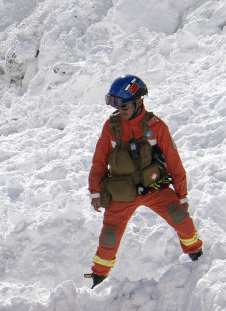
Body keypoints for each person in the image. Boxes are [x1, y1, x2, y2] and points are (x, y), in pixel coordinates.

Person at [87, 75, 203, 287]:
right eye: (117, 107)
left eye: (124, 107)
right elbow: (99, 161)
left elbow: (174, 162)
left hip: (154, 188)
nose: (120, 112)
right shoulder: (110, 127)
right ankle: (97, 278)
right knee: (109, 237)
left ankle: (198, 256)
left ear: (139, 101)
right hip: (122, 192)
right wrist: (95, 192)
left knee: (181, 218)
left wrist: (182, 194)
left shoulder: (156, 127)